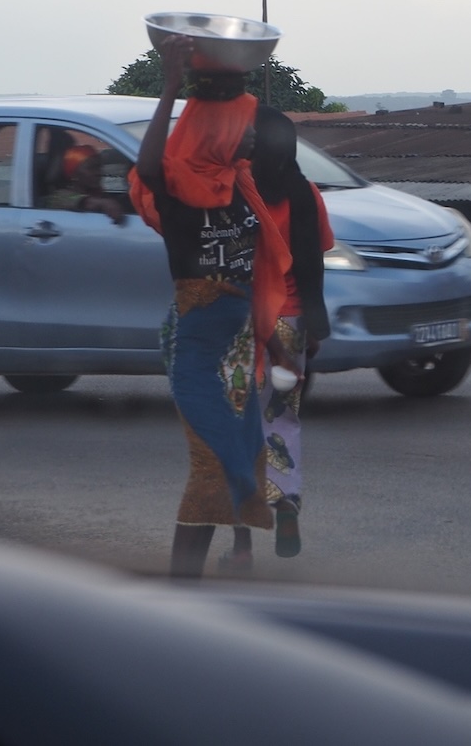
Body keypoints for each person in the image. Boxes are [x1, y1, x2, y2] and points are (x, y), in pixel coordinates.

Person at [128, 34, 295, 579]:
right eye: (240, 124)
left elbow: (251, 280)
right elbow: (149, 164)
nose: (249, 133)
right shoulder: (177, 189)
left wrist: (275, 346)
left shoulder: (239, 188)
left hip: (238, 349)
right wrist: (171, 85)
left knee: (233, 468)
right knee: (209, 469)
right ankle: (180, 590)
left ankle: (192, 586)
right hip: (197, 347)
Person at [224, 105, 333, 568]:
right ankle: (285, 502)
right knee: (282, 422)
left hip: (239, 326)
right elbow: (316, 259)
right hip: (290, 323)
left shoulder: (235, 194)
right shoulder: (306, 193)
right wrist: (314, 326)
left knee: (235, 429)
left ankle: (241, 543)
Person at [42, 144, 127, 224]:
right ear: (74, 174)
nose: (99, 172)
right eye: (91, 168)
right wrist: (105, 203)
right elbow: (85, 202)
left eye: (99, 167)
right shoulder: (58, 197)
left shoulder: (100, 194)